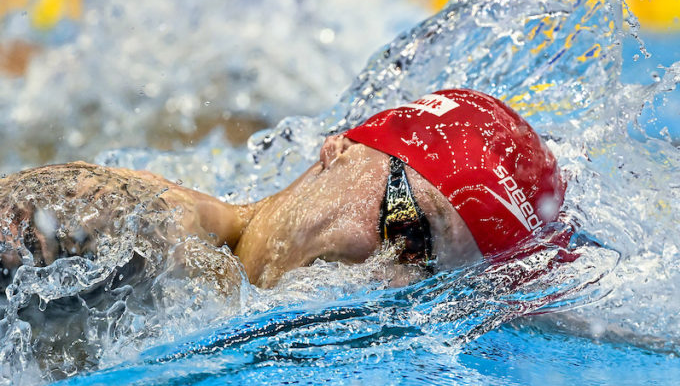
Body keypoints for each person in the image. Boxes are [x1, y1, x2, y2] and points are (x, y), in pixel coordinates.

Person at [0, 89, 566, 293]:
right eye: (409, 230)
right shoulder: (132, 227)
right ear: (342, 150)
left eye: (428, 279)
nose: (390, 279)